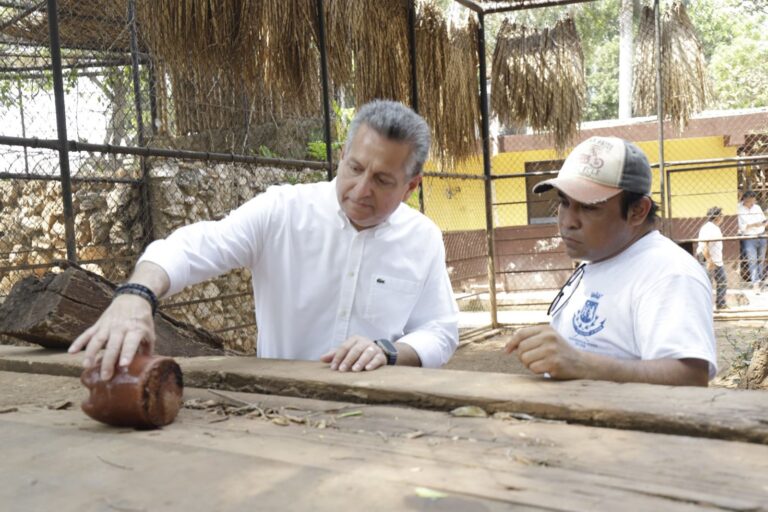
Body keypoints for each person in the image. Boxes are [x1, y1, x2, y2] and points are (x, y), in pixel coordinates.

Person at [69, 100, 459, 380]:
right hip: (278, 403)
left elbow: (440, 330)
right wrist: (136, 294)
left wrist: (388, 351)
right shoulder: (282, 211)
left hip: (380, 405)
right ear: (342, 157)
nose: (360, 189)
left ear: (411, 186)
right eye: (354, 168)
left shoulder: (422, 238)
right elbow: (192, 247)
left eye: (382, 180)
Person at [505, 136, 716, 386]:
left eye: (589, 207)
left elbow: (690, 378)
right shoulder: (599, 257)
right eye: (563, 202)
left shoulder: (668, 272)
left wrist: (582, 364)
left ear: (638, 210)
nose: (568, 221)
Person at [696, 206, 727, 310]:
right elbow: (704, 245)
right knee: (707, 283)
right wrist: (709, 260)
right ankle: (706, 306)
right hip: (708, 259)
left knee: (722, 281)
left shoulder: (715, 227)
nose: (723, 217)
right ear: (717, 217)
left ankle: (721, 304)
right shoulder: (708, 228)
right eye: (721, 215)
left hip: (716, 260)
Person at [737, 190, 767, 292]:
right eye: (750, 201)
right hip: (749, 237)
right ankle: (755, 284)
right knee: (752, 260)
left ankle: (760, 280)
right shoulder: (739, 208)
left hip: (761, 235)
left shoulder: (757, 207)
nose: (752, 203)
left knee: (761, 259)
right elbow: (742, 227)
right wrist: (754, 224)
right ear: (745, 199)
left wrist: (764, 223)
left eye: (753, 200)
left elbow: (764, 221)